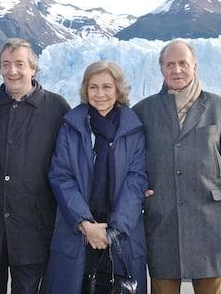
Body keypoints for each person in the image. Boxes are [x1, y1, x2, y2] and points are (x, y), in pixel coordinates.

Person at [133, 40, 221, 294]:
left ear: (194, 66)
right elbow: (130, 161)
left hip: (212, 226)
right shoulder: (143, 111)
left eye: (182, 63)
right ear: (161, 69)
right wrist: (136, 190)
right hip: (162, 224)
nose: (176, 70)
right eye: (169, 64)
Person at [40, 60, 148, 294]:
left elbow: (136, 179)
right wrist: (86, 225)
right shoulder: (71, 126)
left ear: (118, 89)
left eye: (107, 87)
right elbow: (61, 176)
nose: (100, 94)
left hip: (121, 233)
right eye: (93, 87)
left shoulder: (133, 128)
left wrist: (114, 230)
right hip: (77, 229)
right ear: (85, 90)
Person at [0, 38, 70, 293]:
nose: (12, 71)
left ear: (33, 68)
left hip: (34, 232)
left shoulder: (57, 108)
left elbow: (76, 162)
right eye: (6, 64)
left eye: (19, 64)